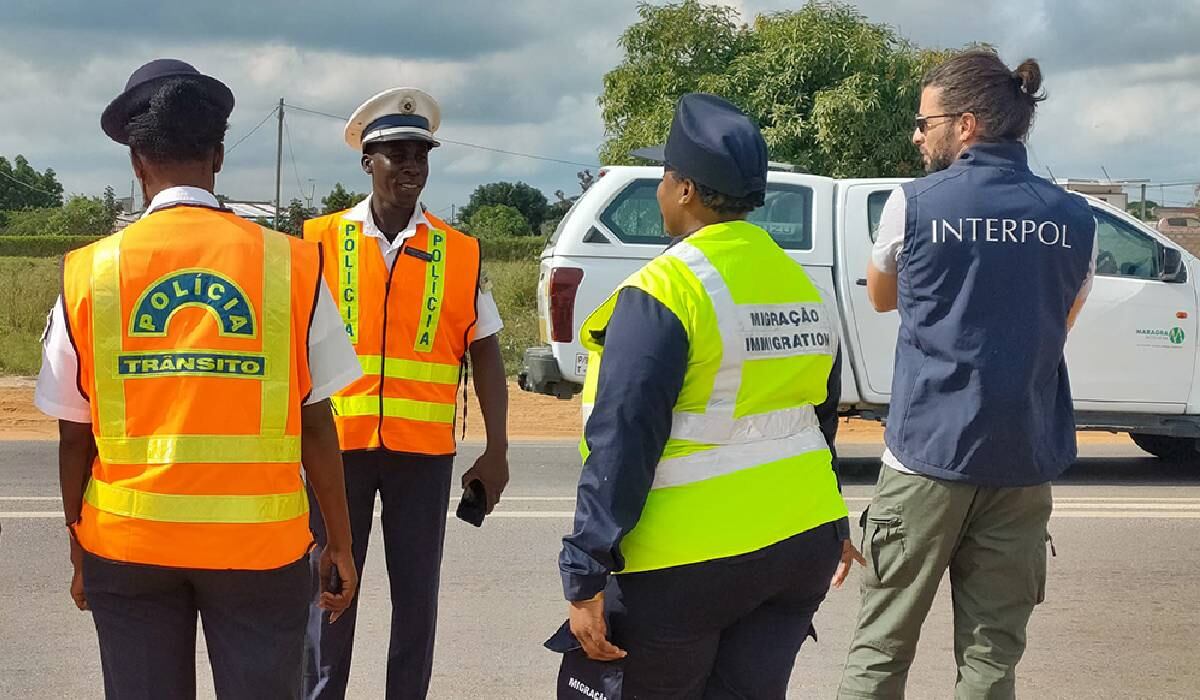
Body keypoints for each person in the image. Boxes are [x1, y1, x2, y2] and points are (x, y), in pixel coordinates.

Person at [33, 59, 362, 699]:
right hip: (259, 551)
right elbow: (316, 422)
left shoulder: (89, 272)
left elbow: (75, 436)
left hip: (128, 548)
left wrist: (79, 546)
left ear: (137, 163)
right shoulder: (291, 265)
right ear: (218, 156)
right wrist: (340, 544)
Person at [557, 92, 862, 698]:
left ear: (686, 190)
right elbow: (815, 420)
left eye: (664, 176)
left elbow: (624, 439)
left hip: (686, 562)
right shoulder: (802, 285)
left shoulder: (666, 290)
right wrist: (832, 519)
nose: (660, 189)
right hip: (802, 544)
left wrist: (585, 569)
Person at [837, 50, 1097, 699]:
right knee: (990, 664)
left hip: (926, 455)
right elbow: (1062, 319)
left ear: (967, 124)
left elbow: (881, 296)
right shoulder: (1076, 218)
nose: (917, 136)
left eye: (926, 122)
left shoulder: (914, 203)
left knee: (880, 650)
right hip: (1022, 462)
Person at [302, 87, 511, 699]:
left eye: (421, 154)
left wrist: (497, 449)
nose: (411, 165)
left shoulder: (459, 251)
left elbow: (486, 349)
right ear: (367, 161)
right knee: (330, 588)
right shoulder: (317, 242)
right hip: (335, 448)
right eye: (397, 154)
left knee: (417, 601)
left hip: (422, 456)